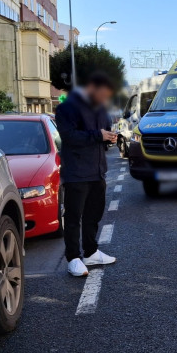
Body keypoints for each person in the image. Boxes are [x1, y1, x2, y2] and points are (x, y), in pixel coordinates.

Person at [55, 72, 119, 277]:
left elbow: (104, 132)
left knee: (93, 216)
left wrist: (110, 138)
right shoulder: (67, 108)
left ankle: (91, 253)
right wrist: (97, 135)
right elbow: (68, 136)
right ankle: (73, 258)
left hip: (98, 171)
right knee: (73, 217)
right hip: (76, 172)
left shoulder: (101, 108)